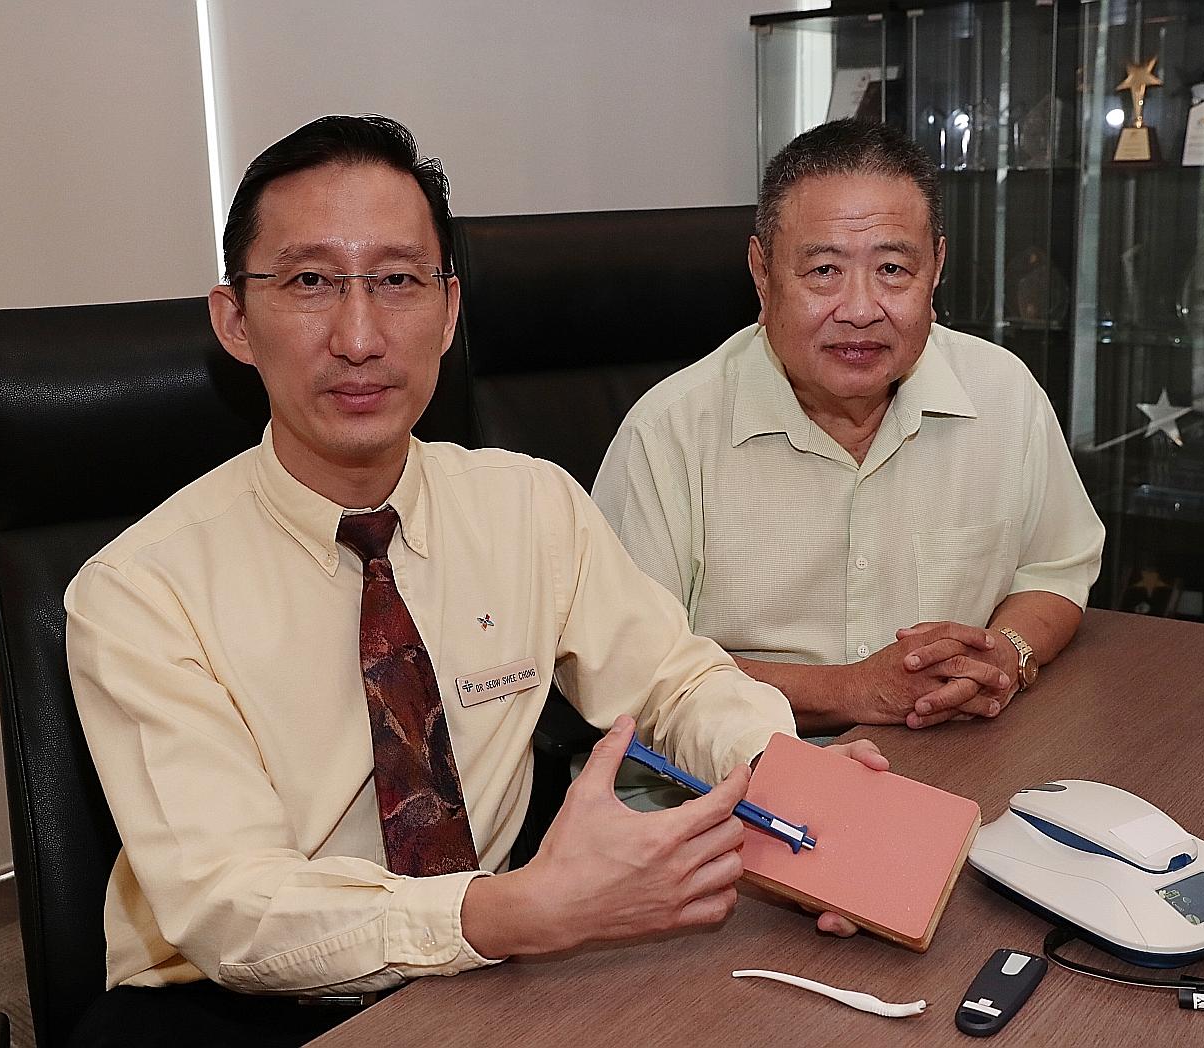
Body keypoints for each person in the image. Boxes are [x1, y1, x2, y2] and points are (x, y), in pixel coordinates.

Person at [64, 115, 882, 1047]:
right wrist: (506, 914)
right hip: (232, 1004)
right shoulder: (136, 591)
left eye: (400, 280)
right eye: (309, 282)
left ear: (449, 312)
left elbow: (676, 681)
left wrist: (781, 772)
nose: (361, 335)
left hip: (495, 961)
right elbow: (232, 908)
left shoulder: (530, 505)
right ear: (234, 320)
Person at [592, 119, 1104, 736]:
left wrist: (1008, 652)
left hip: (951, 759)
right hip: (730, 788)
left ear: (936, 267)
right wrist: (854, 690)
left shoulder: (1003, 392)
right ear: (762, 271)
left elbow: (1055, 569)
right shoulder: (668, 432)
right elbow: (633, 673)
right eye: (825, 272)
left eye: (892, 268)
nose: (860, 310)